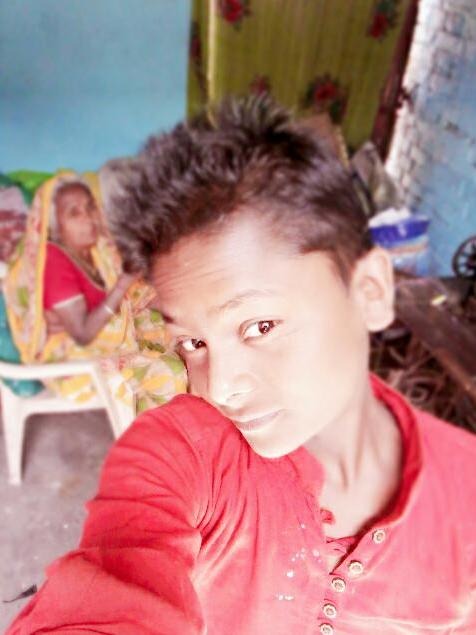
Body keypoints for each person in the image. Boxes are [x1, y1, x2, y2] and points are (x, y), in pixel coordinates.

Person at [7, 98, 476, 634]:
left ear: (369, 291)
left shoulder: (464, 491)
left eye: (261, 326)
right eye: (192, 342)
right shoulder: (181, 451)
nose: (219, 389)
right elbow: (115, 576)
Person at [4, 171, 186, 421]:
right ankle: (156, 435)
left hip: (99, 341)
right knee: (169, 371)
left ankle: (166, 419)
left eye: (90, 207)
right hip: (73, 364)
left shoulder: (95, 251)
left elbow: (125, 298)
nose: (88, 217)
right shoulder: (54, 261)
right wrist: (122, 285)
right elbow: (82, 334)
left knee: (167, 326)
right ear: (54, 226)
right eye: (74, 213)